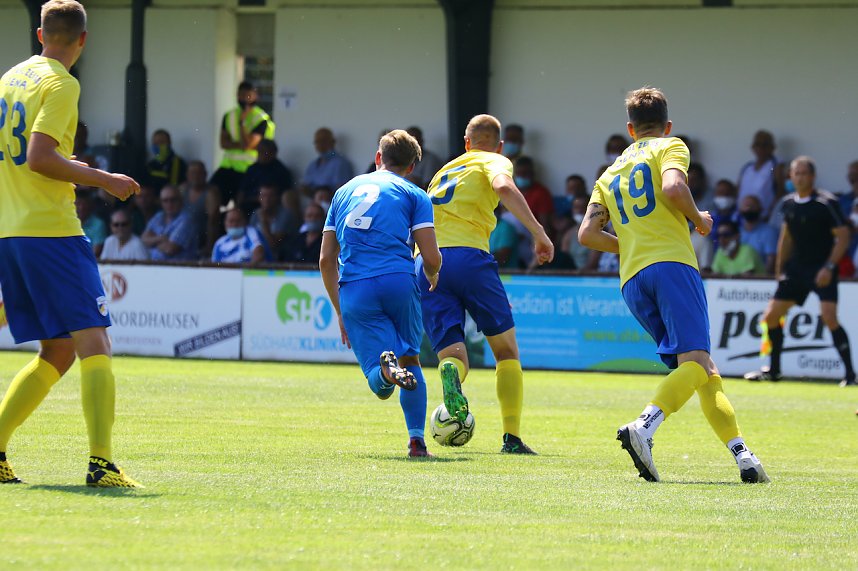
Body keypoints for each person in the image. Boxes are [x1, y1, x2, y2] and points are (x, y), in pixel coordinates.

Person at [578, 87, 769, 484]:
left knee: (701, 368)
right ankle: (644, 427)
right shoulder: (670, 147)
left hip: (632, 280)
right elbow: (673, 188)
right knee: (697, 360)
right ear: (666, 126)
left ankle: (743, 456)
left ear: (631, 129)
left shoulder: (608, 174)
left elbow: (587, 235)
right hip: (672, 266)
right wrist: (698, 218)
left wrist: (628, 245)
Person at [0, 0, 141, 487]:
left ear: (40, 34)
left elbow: (21, 155)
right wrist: (102, 178)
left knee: (57, 350)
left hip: (11, 228)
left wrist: (66, 161)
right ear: (83, 40)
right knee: (94, 340)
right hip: (51, 230)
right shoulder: (62, 83)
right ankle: (101, 463)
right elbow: (39, 158)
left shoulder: (11, 78)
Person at [417, 114, 554, 454]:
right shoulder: (494, 160)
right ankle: (511, 438)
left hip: (428, 260)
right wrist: (538, 233)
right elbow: (504, 187)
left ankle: (450, 372)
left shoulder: (443, 171)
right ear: (501, 145)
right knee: (506, 351)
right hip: (469, 257)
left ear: (466, 143)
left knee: (452, 352)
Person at [319, 129, 442, 458]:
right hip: (399, 282)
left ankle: (385, 372)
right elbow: (431, 257)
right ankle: (417, 442)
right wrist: (432, 273)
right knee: (411, 359)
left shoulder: (343, 192)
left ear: (378, 158)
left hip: (356, 286)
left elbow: (325, 260)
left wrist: (340, 311)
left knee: (378, 379)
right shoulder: (415, 194)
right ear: (413, 166)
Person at [745, 156, 855, 387]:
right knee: (771, 317)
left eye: (804, 173)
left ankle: (850, 375)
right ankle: (773, 371)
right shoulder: (788, 204)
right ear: (790, 177)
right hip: (796, 270)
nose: (800, 177)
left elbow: (843, 237)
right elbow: (786, 239)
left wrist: (829, 267)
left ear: (813, 177)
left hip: (822, 269)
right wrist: (779, 271)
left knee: (829, 317)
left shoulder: (826, 203)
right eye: (796, 173)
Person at [209, 81, 275, 205]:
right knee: (212, 194)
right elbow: (223, 143)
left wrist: (242, 124)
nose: (244, 98)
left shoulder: (261, 119)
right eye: (241, 95)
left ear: (256, 96)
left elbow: (248, 145)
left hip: (249, 169)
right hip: (228, 167)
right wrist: (241, 145)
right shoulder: (229, 115)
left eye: (248, 95)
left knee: (241, 203)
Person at [141, 185, 198, 261]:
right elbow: (143, 240)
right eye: (165, 200)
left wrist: (152, 242)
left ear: (181, 200)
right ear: (161, 202)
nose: (169, 204)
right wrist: (161, 238)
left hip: (179, 269)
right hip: (156, 267)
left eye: (173, 200)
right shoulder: (159, 216)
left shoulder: (186, 220)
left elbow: (170, 249)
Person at [237, 138, 294, 213]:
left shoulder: (281, 171)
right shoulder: (252, 169)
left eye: (264, 152)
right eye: (259, 151)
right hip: (249, 204)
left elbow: (281, 195)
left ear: (273, 153)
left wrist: (262, 198)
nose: (260, 154)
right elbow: (242, 191)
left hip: (269, 206)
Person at [179, 160, 221, 256]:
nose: (195, 176)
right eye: (192, 173)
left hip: (202, 243)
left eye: (199, 173)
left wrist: (209, 248)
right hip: (181, 241)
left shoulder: (211, 193)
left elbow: (213, 222)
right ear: (187, 175)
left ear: (205, 175)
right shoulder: (182, 189)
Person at [737, 130, 778, 220]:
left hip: (764, 218)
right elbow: (738, 190)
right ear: (753, 147)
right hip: (743, 217)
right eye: (757, 144)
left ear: (772, 147)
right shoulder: (747, 168)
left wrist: (771, 214)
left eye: (765, 145)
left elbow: (780, 193)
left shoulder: (775, 167)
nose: (761, 148)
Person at [301, 127, 354, 192]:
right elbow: (305, 186)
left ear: (333, 142)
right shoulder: (313, 165)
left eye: (323, 141)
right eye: (317, 142)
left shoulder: (340, 163)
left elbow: (342, 191)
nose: (320, 145)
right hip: (315, 200)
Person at [738, 195, 778, 273]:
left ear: (760, 209)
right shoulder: (737, 231)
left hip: (759, 278)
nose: (749, 209)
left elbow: (771, 258)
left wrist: (763, 279)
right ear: (740, 210)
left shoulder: (769, 231)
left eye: (752, 206)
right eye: (746, 206)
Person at [405, 126, 444, 190]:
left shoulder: (430, 160)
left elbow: (428, 187)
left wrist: (412, 181)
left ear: (421, 141)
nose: (410, 145)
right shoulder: (403, 158)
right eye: (407, 142)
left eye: (414, 142)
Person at [74, 188, 107, 257]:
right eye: (78, 204)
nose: (81, 207)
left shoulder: (98, 224)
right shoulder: (67, 223)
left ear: (90, 205)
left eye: (84, 204)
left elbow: (96, 252)